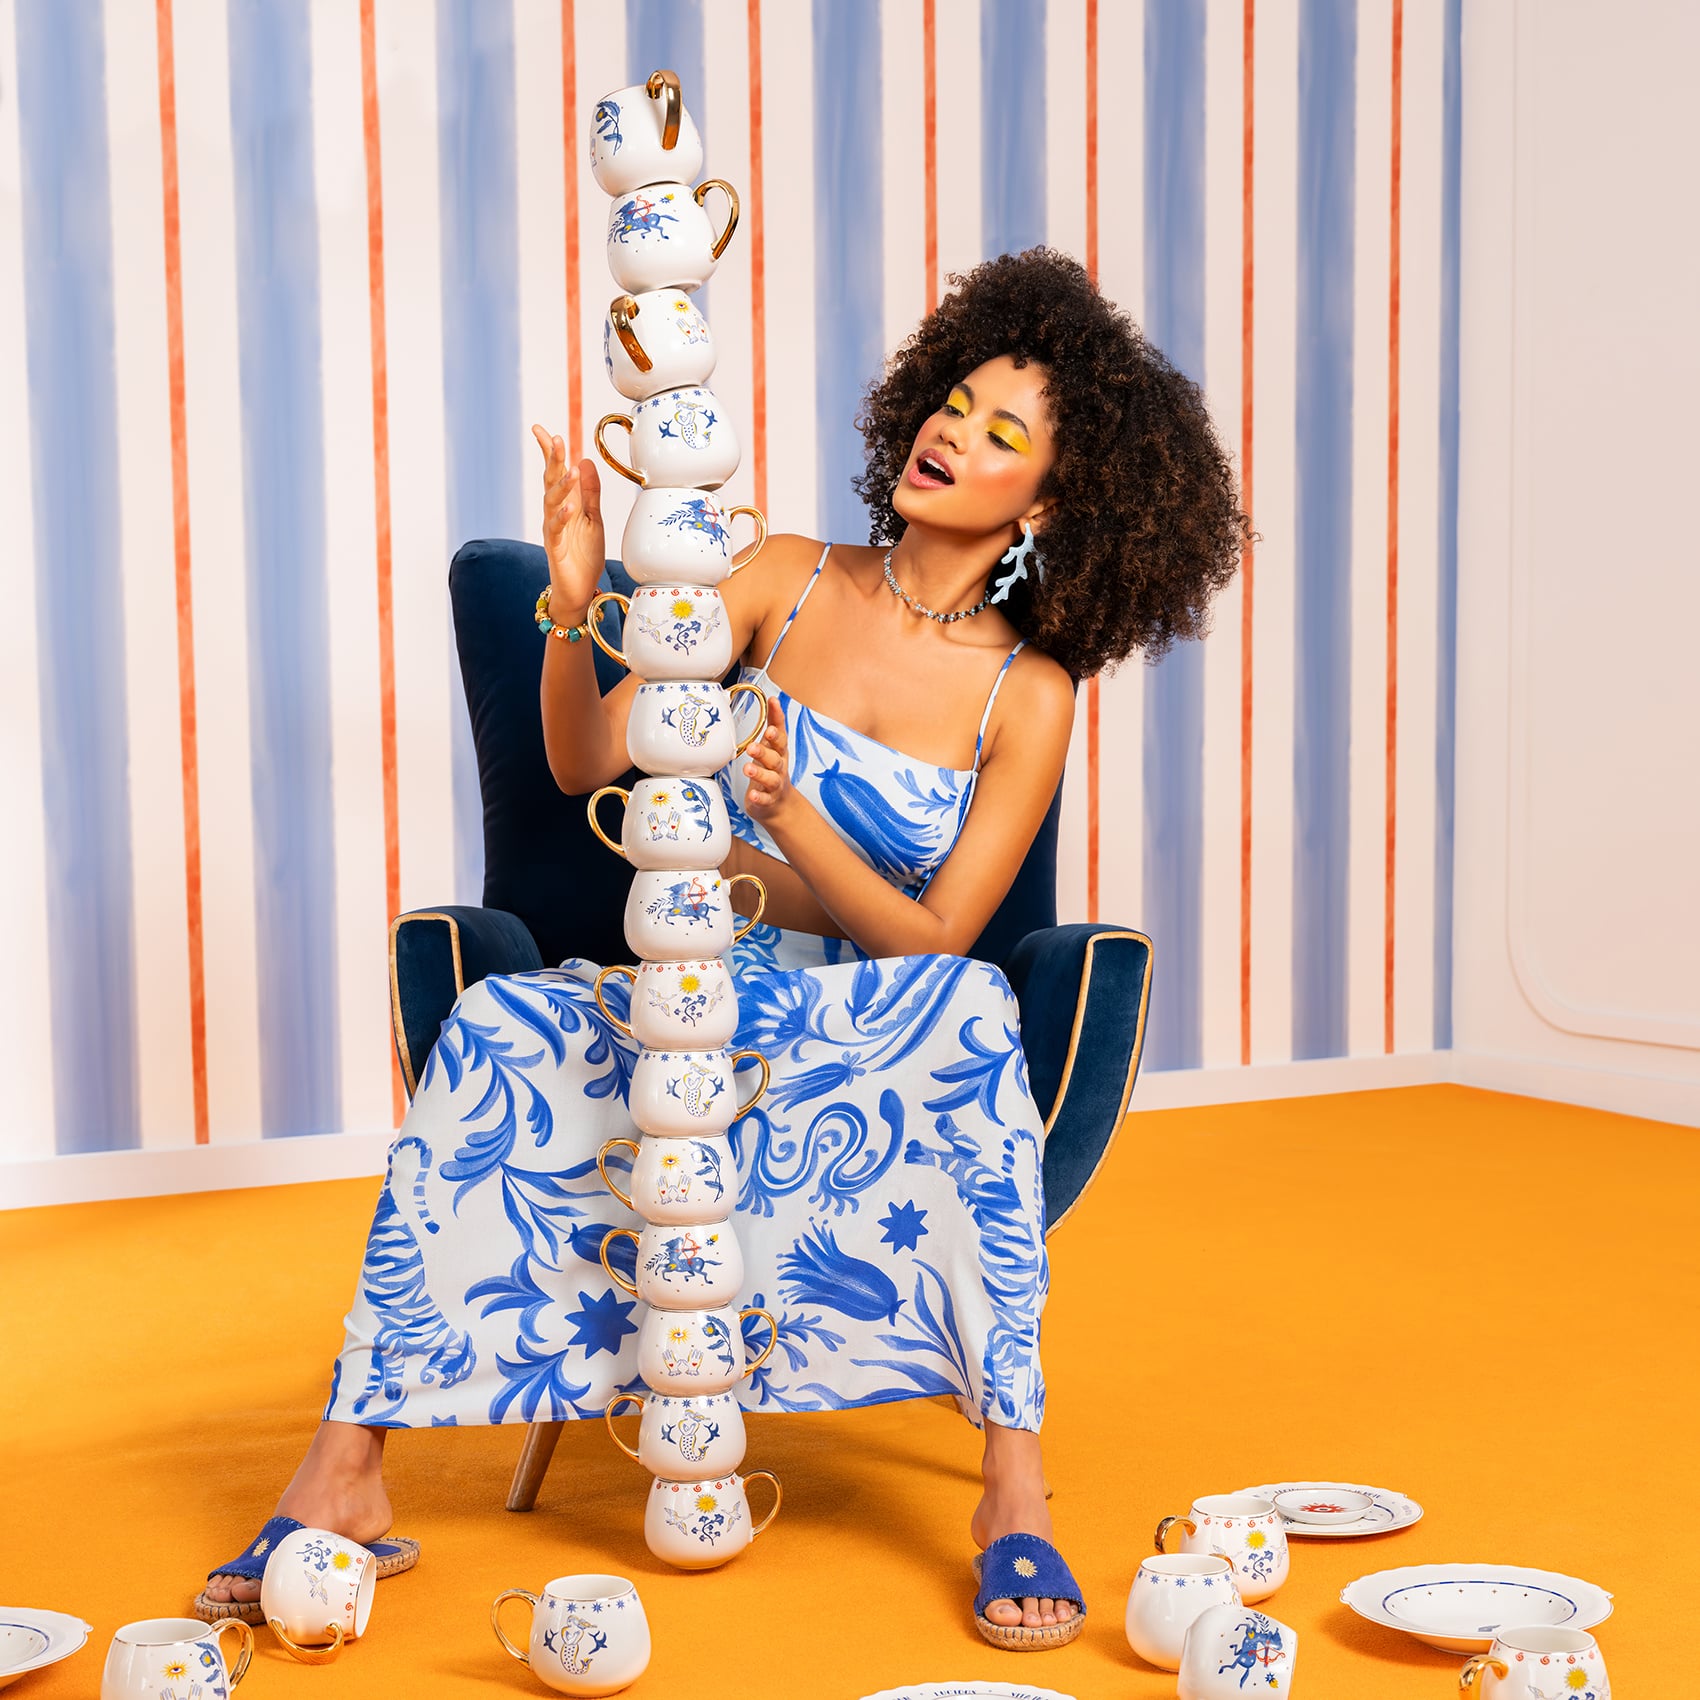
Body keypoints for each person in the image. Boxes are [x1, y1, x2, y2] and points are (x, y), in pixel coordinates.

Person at [195, 247, 1246, 1650]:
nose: (952, 433)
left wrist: (790, 824)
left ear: (1051, 501)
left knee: (972, 1013)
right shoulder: (783, 578)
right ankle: (346, 1462)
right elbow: (583, 763)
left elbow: (938, 935)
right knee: (500, 1024)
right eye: (954, 400)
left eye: (1004, 433)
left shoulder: (1031, 692)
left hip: (864, 1023)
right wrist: (572, 603)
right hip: (684, 986)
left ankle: (1011, 1481)